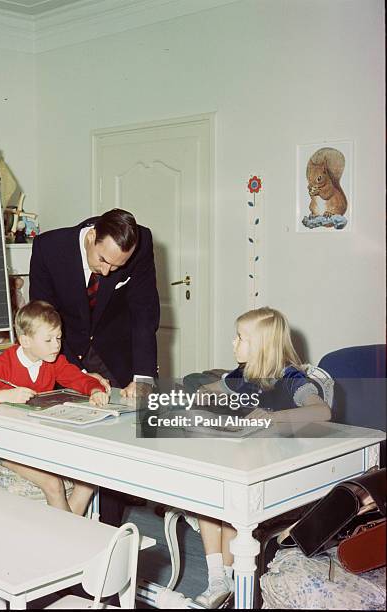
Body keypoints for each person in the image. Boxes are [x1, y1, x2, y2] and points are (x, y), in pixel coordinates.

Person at [192, 306, 332, 608]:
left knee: (226, 497)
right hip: (248, 460)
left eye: (240, 337)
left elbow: (322, 412)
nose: (233, 343)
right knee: (211, 491)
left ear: (262, 345)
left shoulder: (291, 378)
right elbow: (211, 389)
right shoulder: (246, 374)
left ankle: (226, 576)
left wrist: (272, 417)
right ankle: (218, 578)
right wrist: (202, 398)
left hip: (279, 471)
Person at [29, 208, 160, 524]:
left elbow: (144, 312)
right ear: (91, 237)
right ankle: (62, 520)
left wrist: (143, 376)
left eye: (118, 266)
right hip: (64, 345)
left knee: (114, 437)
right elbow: (42, 315)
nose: (108, 270)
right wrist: (74, 372)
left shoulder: (140, 244)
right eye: (103, 260)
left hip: (113, 348)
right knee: (66, 432)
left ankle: (109, 535)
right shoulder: (49, 248)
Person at [0, 300, 109, 515]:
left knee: (88, 480)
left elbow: (77, 378)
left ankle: (67, 535)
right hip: (3, 445)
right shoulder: (4, 364)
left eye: (58, 337)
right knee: (53, 484)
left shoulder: (52, 361)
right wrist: (5, 394)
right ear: (25, 340)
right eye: (48, 340)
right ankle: (68, 538)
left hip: (35, 442)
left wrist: (94, 389)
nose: (56, 345)